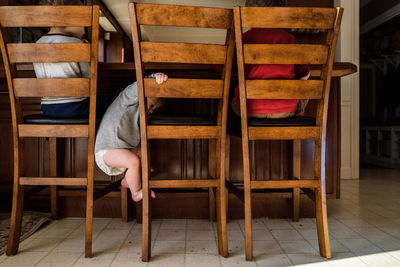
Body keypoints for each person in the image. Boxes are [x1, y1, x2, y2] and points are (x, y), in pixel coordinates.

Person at [33, 0, 117, 118]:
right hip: (76, 107)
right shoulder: (76, 44)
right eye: (83, 21)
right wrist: (88, 53)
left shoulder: (37, 44)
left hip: (48, 108)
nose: (84, 29)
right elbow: (89, 82)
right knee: (118, 97)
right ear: (69, 19)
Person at [95, 73, 168, 202]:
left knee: (141, 151)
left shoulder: (139, 116)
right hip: (106, 151)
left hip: (119, 150)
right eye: (151, 105)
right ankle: (136, 193)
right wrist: (153, 78)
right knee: (133, 161)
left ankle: (128, 180)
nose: (150, 110)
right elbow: (138, 85)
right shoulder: (127, 98)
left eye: (153, 109)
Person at [233, 0, 311, 119]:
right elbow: (304, 75)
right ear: (280, 15)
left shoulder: (243, 39)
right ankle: (295, 132)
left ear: (249, 15)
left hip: (249, 109)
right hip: (284, 111)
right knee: (303, 92)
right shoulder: (290, 39)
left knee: (232, 101)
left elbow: (223, 68)